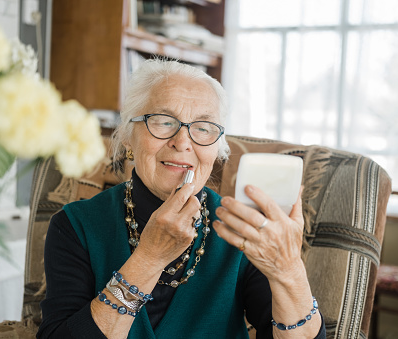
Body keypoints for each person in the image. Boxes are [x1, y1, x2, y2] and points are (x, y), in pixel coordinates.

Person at [37, 59, 326, 338]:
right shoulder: (75, 225)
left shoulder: (244, 229)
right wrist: (149, 258)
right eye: (163, 121)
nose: (183, 142)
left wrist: (288, 270)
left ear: (218, 149)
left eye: (203, 128)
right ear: (127, 136)